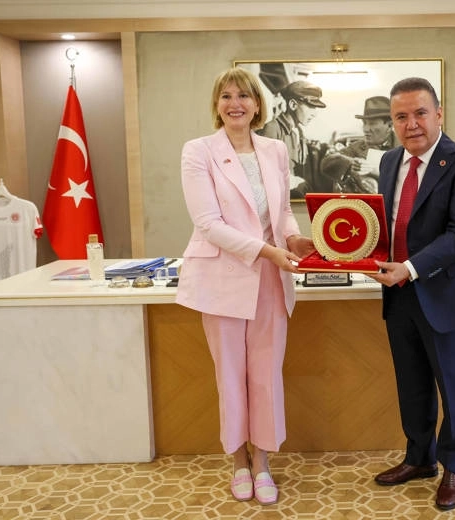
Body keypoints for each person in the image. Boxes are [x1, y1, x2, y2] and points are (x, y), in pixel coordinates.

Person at [176, 67, 315, 506]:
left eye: (243, 96)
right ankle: (238, 461)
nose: (235, 103)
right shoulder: (199, 151)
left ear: (258, 105)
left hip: (271, 279)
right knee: (231, 375)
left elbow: (283, 213)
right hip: (222, 278)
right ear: (217, 105)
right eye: (226, 96)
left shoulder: (275, 150)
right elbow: (208, 224)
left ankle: (263, 464)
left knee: (266, 374)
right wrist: (268, 251)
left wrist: (293, 239)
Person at [368, 77, 455, 511]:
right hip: (399, 294)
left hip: (446, 294)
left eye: (420, 113)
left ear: (439, 114)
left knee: (453, 387)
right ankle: (419, 458)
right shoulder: (389, 161)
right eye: (401, 116)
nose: (411, 124)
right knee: (412, 384)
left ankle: (454, 468)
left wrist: (411, 267)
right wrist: (352, 251)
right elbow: (387, 223)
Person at [258, 80, 329, 197]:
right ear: (293, 105)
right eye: (311, 106)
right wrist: (293, 181)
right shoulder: (272, 128)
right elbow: (262, 169)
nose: (314, 114)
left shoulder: (298, 132)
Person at [320, 96, 399, 193]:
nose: (366, 129)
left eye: (372, 124)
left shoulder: (407, 148)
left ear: (390, 125)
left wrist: (375, 170)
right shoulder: (357, 147)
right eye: (364, 123)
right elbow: (326, 163)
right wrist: (351, 163)